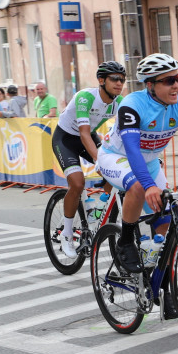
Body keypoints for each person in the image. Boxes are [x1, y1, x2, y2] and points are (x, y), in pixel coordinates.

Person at [96, 53, 178, 284]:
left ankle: (161, 284)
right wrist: (148, 186)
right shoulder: (132, 105)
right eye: (168, 81)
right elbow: (133, 150)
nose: (176, 85)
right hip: (116, 156)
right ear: (150, 85)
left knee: (164, 223)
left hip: (150, 161)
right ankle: (125, 241)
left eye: (177, 78)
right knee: (136, 187)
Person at [52, 62, 127, 258]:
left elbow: (126, 132)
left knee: (117, 168)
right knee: (77, 183)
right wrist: (98, 160)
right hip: (66, 139)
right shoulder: (85, 97)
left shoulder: (119, 102)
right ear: (101, 81)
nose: (119, 83)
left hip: (90, 137)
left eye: (122, 79)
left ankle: (100, 206)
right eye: (114, 79)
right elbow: (84, 133)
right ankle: (67, 235)